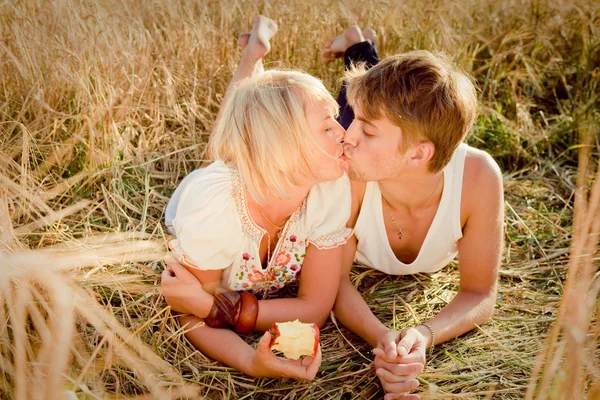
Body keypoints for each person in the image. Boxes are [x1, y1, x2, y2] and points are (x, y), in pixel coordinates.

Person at [160, 16, 352, 380]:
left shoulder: (329, 190)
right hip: (224, 186)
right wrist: (251, 361)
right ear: (283, 146)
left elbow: (315, 306)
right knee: (219, 155)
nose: (344, 133)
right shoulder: (214, 207)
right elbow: (187, 311)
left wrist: (225, 309)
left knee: (235, 141)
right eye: (328, 126)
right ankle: (250, 60)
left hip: (264, 171)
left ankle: (252, 58)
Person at [323, 27, 504, 399]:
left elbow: (480, 292)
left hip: (402, 148)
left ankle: (360, 45)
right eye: (357, 125)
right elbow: (334, 283)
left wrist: (422, 336)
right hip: (382, 150)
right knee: (347, 104)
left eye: (368, 132)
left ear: (419, 154)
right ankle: (359, 47)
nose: (349, 137)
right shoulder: (350, 169)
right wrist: (384, 340)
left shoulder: (479, 178)